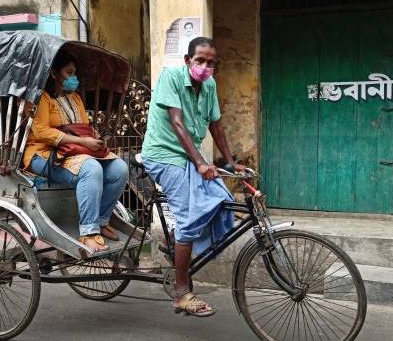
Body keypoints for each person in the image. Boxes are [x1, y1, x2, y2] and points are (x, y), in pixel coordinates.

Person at [142, 36, 246, 317]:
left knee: (219, 198)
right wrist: (201, 163)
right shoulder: (170, 78)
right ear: (188, 60)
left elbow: (216, 125)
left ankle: (172, 239)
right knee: (189, 216)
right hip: (164, 155)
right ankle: (180, 293)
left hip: (188, 156)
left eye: (211, 62)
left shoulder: (209, 85)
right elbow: (177, 123)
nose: (205, 66)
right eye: (200, 60)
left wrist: (230, 162)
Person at [23, 51, 129, 253]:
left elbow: (84, 126)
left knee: (120, 168)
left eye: (75, 73)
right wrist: (83, 141)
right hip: (41, 154)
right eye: (68, 72)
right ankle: (88, 232)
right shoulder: (41, 98)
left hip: (74, 151)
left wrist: (97, 140)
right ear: (54, 74)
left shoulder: (75, 99)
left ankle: (101, 220)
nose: (73, 78)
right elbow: (43, 132)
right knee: (91, 169)